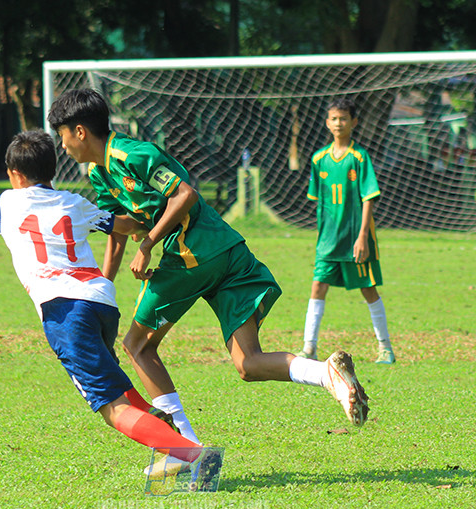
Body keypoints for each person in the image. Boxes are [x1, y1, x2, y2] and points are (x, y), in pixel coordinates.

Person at [47, 89, 369, 466]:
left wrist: (148, 242)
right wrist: (101, 282)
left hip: (192, 250)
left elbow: (185, 195)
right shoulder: (99, 173)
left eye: (63, 135)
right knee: (248, 363)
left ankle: (186, 449)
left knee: (138, 346)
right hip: (226, 249)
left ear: (80, 131)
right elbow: (121, 230)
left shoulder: (132, 153)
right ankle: (326, 374)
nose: (62, 145)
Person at [0, 130, 215, 477]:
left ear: (15, 175)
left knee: (111, 408)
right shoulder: (73, 202)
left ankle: (189, 454)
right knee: (120, 388)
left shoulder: (7, 203)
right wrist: (143, 222)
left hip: (64, 310)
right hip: (101, 300)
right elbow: (124, 225)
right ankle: (172, 438)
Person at [298, 97, 395, 364]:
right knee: (317, 286)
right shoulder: (319, 159)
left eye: (343, 118)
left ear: (354, 122)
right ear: (327, 122)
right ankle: (309, 348)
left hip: (356, 239)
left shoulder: (359, 157)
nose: (338, 123)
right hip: (328, 241)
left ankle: (385, 347)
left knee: (368, 289)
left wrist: (363, 236)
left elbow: (368, 197)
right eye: (333, 118)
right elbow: (319, 202)